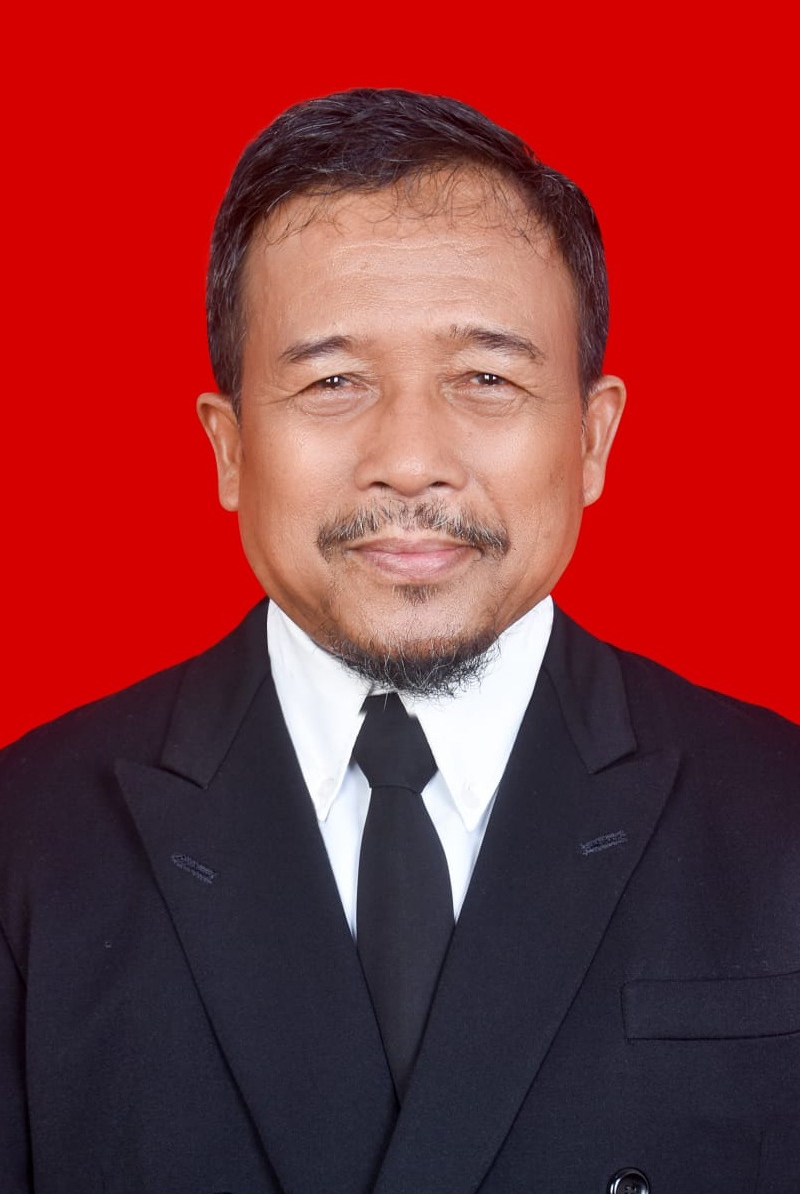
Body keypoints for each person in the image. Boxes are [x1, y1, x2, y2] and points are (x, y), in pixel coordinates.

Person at [1, 88, 798, 1194]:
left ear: (592, 438)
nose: (411, 459)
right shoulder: (26, 842)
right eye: (332, 382)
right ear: (228, 448)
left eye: (487, 379)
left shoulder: (780, 817)